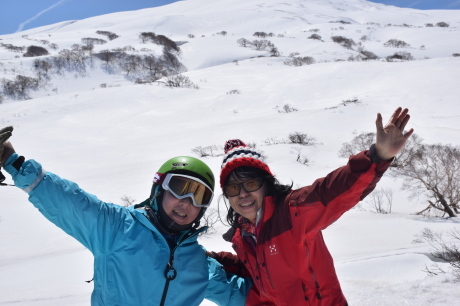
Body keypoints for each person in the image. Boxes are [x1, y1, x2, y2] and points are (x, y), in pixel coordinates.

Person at [0, 126, 251, 306]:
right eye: (179, 188)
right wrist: (12, 161)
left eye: (200, 197)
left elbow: (245, 297)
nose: (187, 202)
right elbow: (67, 200)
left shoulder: (199, 264)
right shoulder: (117, 228)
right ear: (159, 188)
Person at [211, 107, 414, 305]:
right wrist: (217, 259)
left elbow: (331, 191)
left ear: (266, 184)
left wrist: (378, 156)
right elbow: (260, 272)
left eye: (251, 184)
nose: (243, 194)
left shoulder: (292, 211)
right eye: (233, 188)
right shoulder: (243, 234)